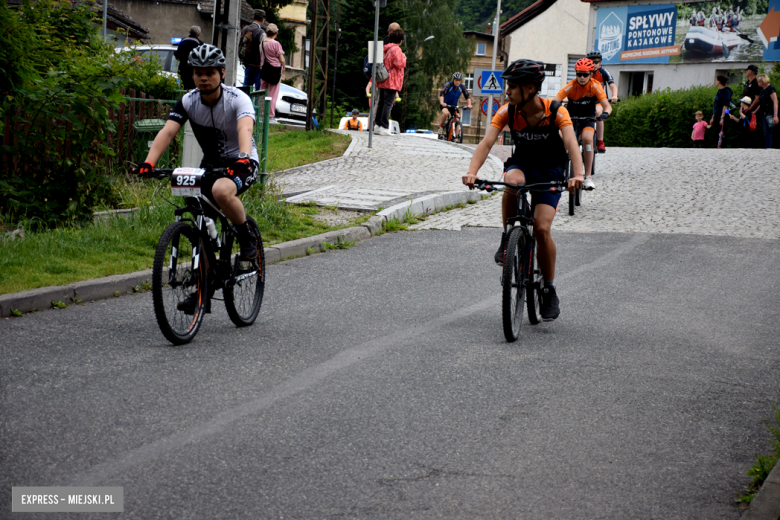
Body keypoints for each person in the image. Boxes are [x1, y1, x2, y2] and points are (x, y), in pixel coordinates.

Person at [132, 44, 260, 313]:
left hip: (242, 161)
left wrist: (244, 156)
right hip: (210, 165)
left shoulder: (238, 98)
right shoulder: (188, 101)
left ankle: (247, 236)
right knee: (197, 214)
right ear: (192, 75)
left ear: (222, 73)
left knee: (222, 193)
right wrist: (148, 163)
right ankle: (204, 284)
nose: (204, 77)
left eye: (210, 72)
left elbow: (244, 127)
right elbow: (167, 132)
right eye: (198, 72)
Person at [462, 60, 584, 321]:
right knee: (512, 183)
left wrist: (578, 175)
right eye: (508, 86)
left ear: (530, 88)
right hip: (523, 166)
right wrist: (472, 172)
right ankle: (508, 237)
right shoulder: (508, 112)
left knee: (541, 228)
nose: (507, 91)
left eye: (513, 87)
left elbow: (572, 143)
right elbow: (486, 143)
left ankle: (548, 288)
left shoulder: (556, 111)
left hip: (550, 172)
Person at [553, 58, 611, 190]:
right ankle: (560, 170)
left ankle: (588, 177)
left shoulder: (595, 86)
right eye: (579, 74)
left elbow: (606, 105)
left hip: (588, 117)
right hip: (571, 117)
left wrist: (606, 113)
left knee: (587, 139)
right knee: (562, 139)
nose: (582, 77)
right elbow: (555, 100)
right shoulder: (571, 85)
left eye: (585, 74)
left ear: (591, 74)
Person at [374, 25, 406, 136]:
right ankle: (384, 127)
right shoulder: (396, 49)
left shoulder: (385, 48)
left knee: (381, 103)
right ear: (400, 40)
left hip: (383, 79)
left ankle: (377, 126)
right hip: (392, 81)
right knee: (388, 104)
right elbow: (400, 63)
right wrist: (404, 58)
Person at [587, 51, 618, 153]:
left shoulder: (604, 72)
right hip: (584, 100)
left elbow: (612, 85)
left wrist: (614, 96)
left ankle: (600, 141)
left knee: (598, 113)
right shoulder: (584, 72)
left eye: (596, 62)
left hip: (598, 101)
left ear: (600, 62)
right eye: (591, 62)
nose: (594, 64)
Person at [259, 24, 285, 125]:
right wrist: (283, 66)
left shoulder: (261, 43)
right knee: (272, 94)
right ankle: (270, 116)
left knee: (263, 92)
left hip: (264, 70)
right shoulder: (276, 44)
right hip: (274, 71)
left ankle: (261, 113)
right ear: (276, 33)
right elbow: (281, 58)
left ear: (266, 32)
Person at [437, 72, 473, 139]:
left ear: (461, 81)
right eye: (456, 80)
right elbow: (442, 94)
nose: (457, 82)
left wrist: (469, 104)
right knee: (446, 113)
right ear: (453, 80)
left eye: (459, 80)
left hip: (454, 106)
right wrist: (442, 102)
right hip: (445, 104)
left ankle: (456, 136)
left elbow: (467, 96)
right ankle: (441, 126)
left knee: (457, 118)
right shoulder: (448, 85)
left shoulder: (462, 87)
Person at [240, 10, 266, 92]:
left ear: (253, 17)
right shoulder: (261, 32)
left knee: (246, 89)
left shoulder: (245, 29)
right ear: (263, 20)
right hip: (258, 66)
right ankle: (256, 105)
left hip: (247, 63)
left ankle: (244, 104)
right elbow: (264, 49)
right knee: (259, 91)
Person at [174, 26, 203, 90]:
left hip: (182, 70)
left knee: (183, 89)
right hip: (193, 71)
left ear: (189, 32)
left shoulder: (182, 41)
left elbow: (177, 55)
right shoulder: (200, 44)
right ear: (199, 34)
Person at [744, 64, 764, 148]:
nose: (745, 72)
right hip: (745, 110)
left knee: (752, 131)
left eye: (746, 70)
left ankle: (752, 148)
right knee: (745, 132)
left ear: (750, 71)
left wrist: (749, 109)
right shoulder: (747, 83)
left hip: (752, 111)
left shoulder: (756, 83)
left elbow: (757, 98)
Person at [710, 75, 733, 148]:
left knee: (721, 133)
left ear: (719, 81)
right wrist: (713, 117)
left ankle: (722, 148)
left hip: (722, 114)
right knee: (717, 133)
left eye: (716, 80)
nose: (715, 82)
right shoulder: (719, 91)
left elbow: (725, 105)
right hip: (716, 114)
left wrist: (722, 117)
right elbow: (716, 105)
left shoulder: (726, 91)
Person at [757, 74, 778, 148]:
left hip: (770, 113)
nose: (757, 82)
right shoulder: (763, 90)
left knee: (768, 132)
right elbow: (761, 103)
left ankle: (768, 148)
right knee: (765, 132)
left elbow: (775, 101)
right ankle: (767, 147)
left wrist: (775, 116)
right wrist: (755, 111)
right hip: (764, 113)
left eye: (758, 81)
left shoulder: (770, 88)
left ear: (762, 81)